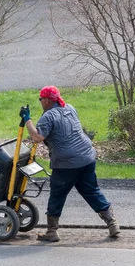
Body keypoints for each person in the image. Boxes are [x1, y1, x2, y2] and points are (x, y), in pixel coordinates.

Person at [20, 86, 120, 242]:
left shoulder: (48, 116)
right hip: (87, 158)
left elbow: (37, 137)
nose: (40, 103)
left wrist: (27, 119)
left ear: (46, 100)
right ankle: (112, 223)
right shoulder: (70, 108)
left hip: (66, 163)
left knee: (57, 195)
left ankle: (52, 232)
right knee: (91, 191)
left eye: (41, 100)